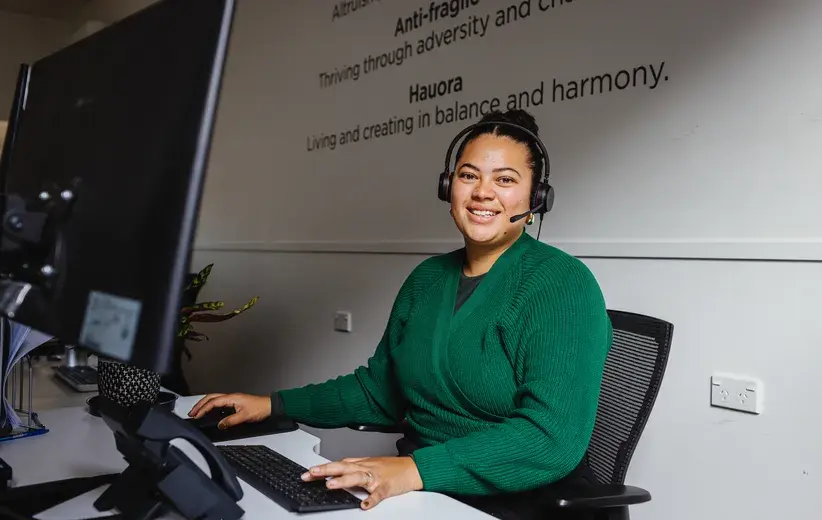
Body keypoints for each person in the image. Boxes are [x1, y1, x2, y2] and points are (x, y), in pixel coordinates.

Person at [189, 108, 612, 520]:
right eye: (469, 176)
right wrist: (273, 404)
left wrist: (413, 471)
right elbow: (380, 391)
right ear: (449, 188)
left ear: (535, 198)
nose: (483, 192)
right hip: (424, 487)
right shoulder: (427, 279)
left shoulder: (561, 285)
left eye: (505, 180)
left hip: (516, 500)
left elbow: (549, 438)